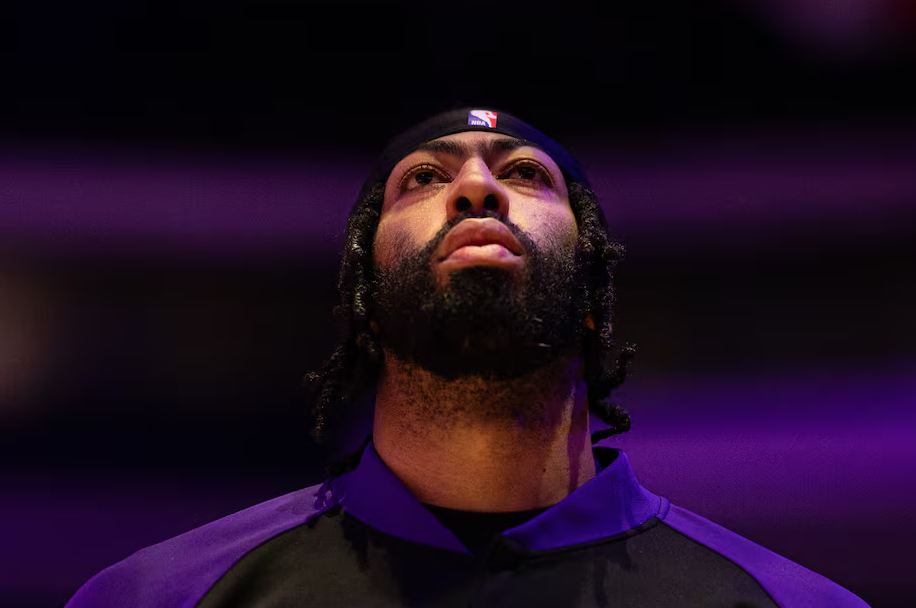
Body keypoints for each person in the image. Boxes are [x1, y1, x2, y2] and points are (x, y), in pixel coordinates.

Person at [65, 108, 871, 607]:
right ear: (365, 299)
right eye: (422, 179)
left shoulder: (790, 604)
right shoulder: (161, 597)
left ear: (591, 290)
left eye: (525, 175)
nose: (476, 189)